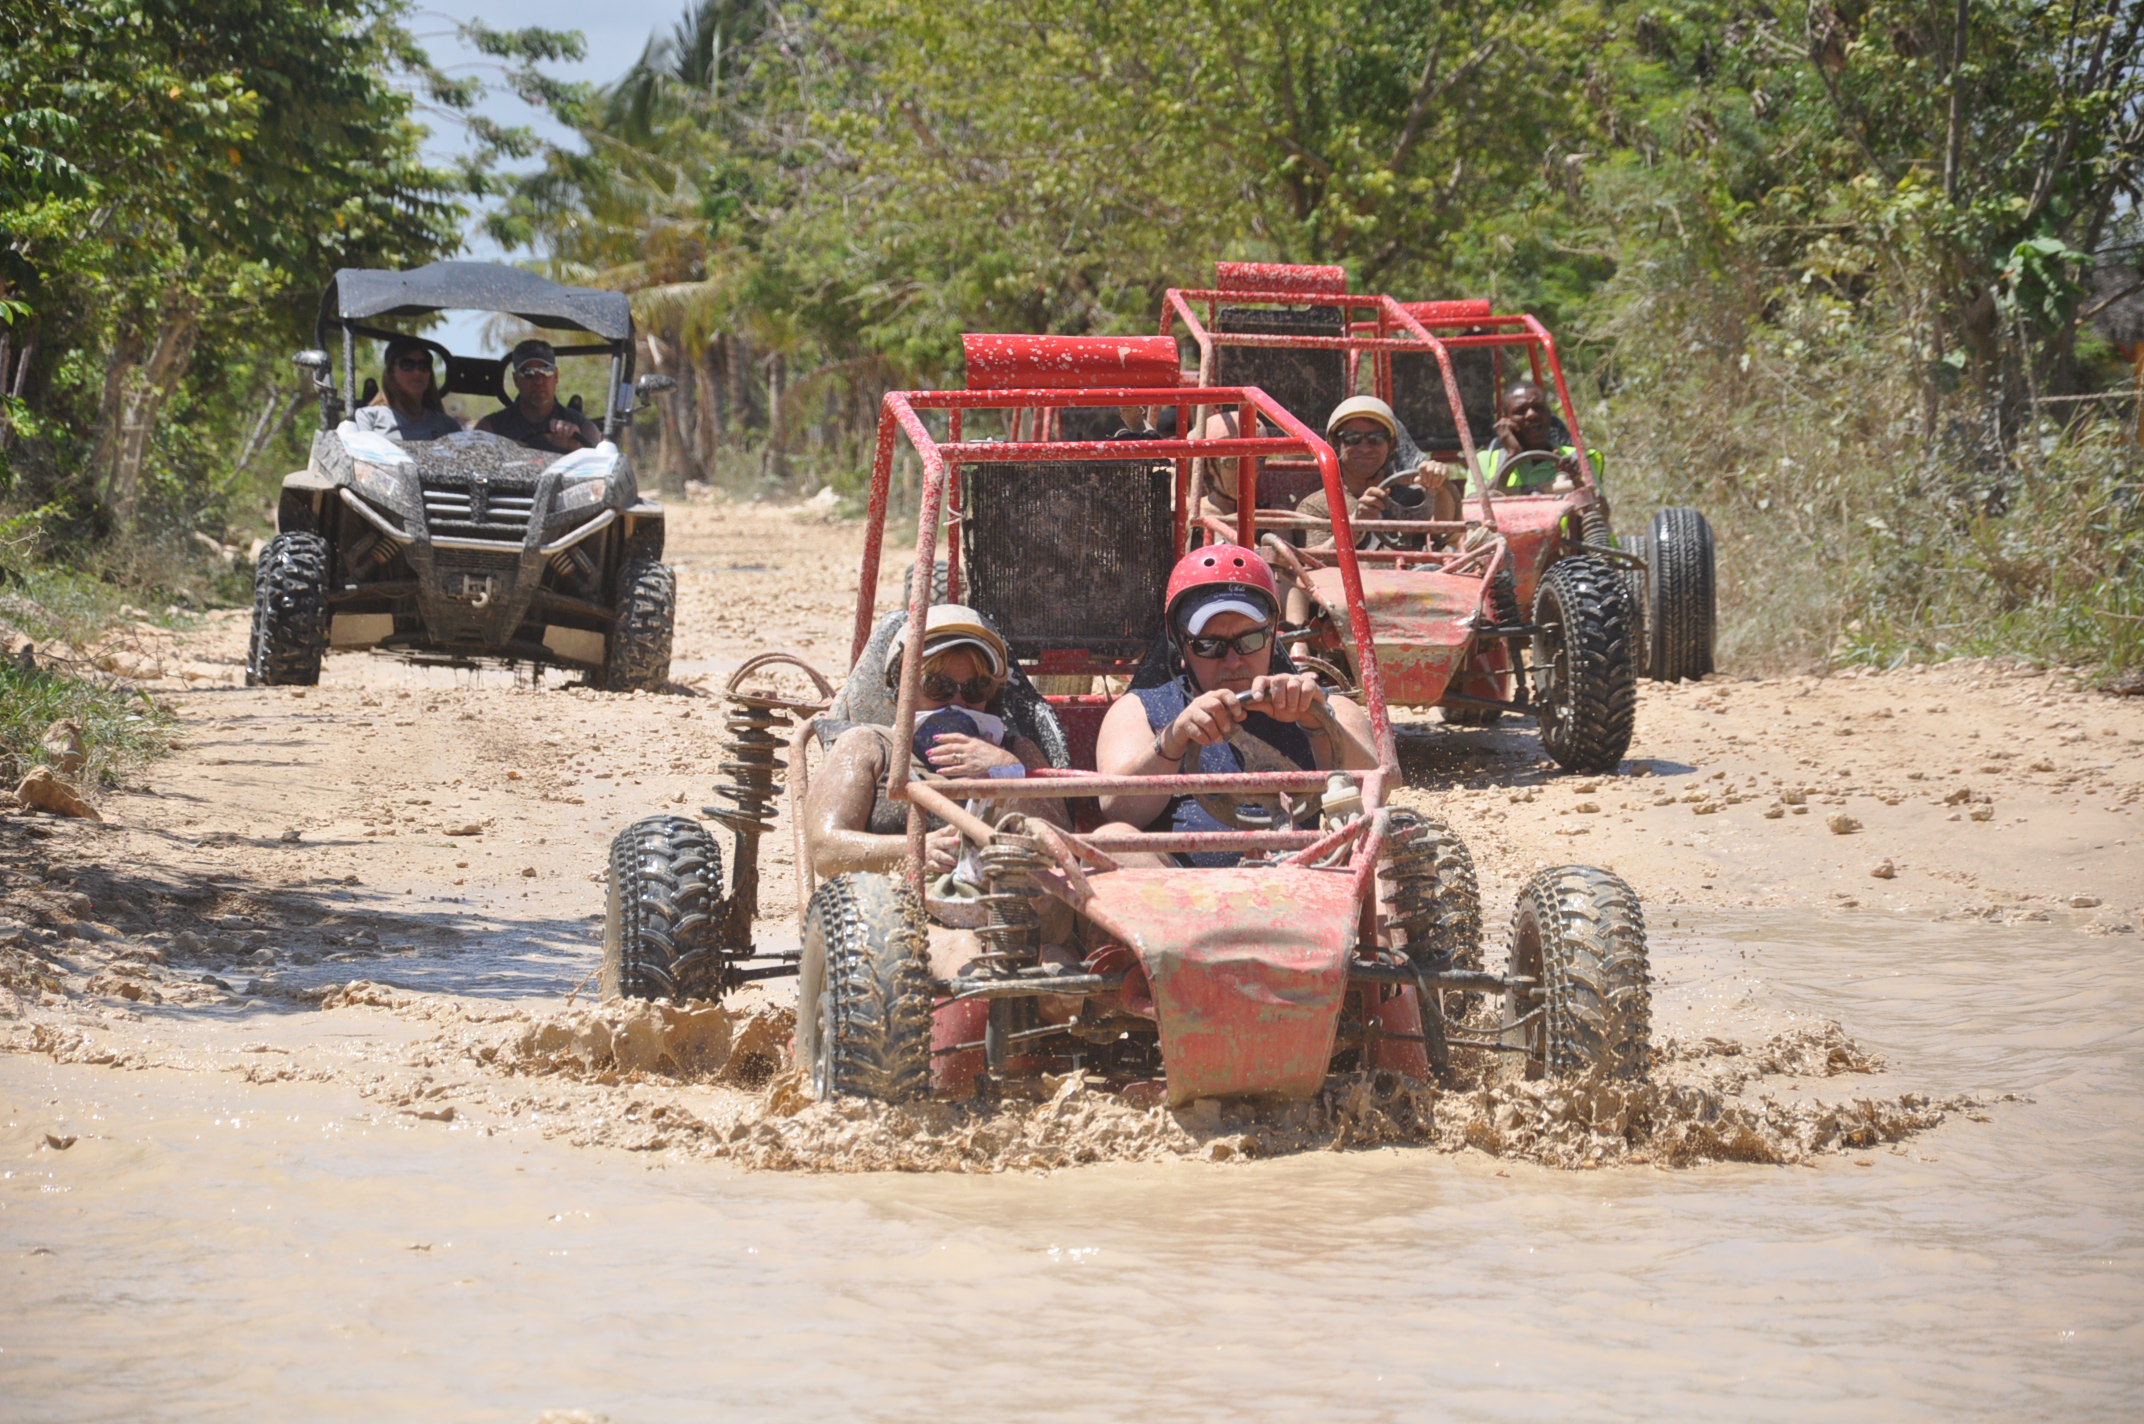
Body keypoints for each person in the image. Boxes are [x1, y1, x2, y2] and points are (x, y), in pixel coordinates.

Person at [1093, 545, 1378, 867]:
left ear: (1272, 634)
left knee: (1385, 835)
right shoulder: (1142, 708)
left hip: (1317, 880)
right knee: (1113, 839)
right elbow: (1116, 809)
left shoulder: (1326, 706)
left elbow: (1375, 796)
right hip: (1182, 895)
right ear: (1179, 643)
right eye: (1209, 645)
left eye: (1251, 640)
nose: (1233, 661)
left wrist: (1318, 725)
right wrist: (1173, 741)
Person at [802, 604, 1064, 879]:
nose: (957, 703)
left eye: (976, 689)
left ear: (993, 696)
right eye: (938, 687)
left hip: (1003, 908)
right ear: (903, 689)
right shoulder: (866, 746)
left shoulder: (1018, 753)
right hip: (891, 906)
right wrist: (914, 850)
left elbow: (1061, 852)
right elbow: (825, 851)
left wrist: (1010, 775)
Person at [1294, 395, 1461, 552]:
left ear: (1390, 445)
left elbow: (1446, 540)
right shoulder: (1316, 506)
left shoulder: (1412, 499)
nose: (1365, 448)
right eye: (1352, 438)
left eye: (1376, 438)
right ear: (1337, 444)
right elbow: (1313, 565)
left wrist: (1438, 488)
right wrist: (1354, 527)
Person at [1468, 380, 1601, 494]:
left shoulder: (1578, 460)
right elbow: (1476, 511)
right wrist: (1512, 456)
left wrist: (1575, 481)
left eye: (1538, 408)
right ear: (1506, 421)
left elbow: (1601, 513)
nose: (1532, 415)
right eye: (1520, 411)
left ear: (1549, 414)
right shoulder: (1484, 462)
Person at [476, 339, 604, 453]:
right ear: (516, 379)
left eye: (545, 371)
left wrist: (574, 447)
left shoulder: (583, 428)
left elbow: (600, 469)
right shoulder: (490, 429)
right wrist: (501, 450)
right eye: (528, 372)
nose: (538, 381)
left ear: (556, 376)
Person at [351, 337, 460, 441]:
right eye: (407, 365)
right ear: (390, 372)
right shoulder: (368, 418)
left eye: (423, 366)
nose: (417, 372)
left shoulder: (448, 426)